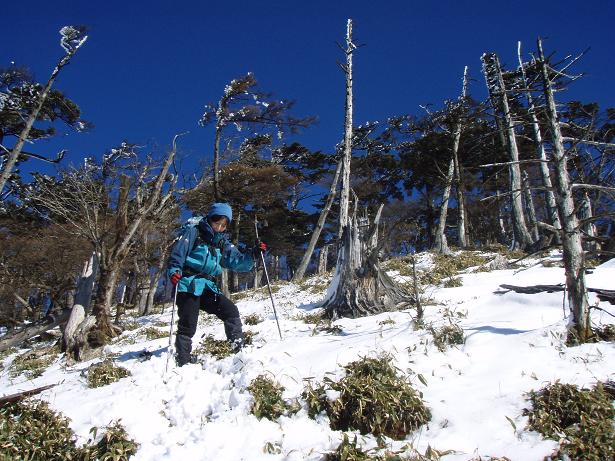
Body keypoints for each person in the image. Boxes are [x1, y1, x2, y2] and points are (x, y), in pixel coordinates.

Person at [167, 202, 267, 366]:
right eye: (217, 223)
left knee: (230, 310)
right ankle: (182, 360)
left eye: (223, 225)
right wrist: (174, 271)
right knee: (188, 323)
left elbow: (236, 261)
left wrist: (253, 254)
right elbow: (178, 254)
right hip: (188, 284)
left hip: (207, 286)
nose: (219, 227)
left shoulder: (222, 242)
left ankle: (238, 348)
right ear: (210, 219)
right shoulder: (194, 232)